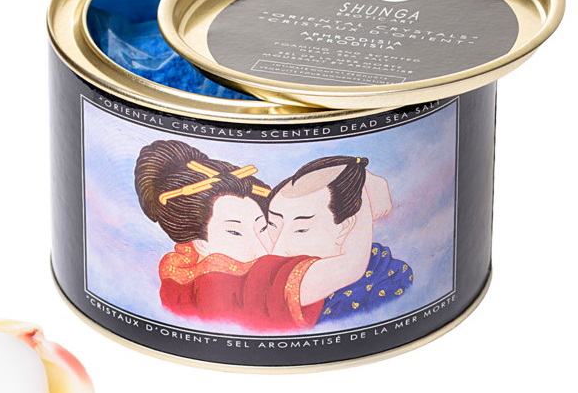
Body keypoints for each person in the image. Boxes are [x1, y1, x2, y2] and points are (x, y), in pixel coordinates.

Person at [134, 140, 374, 332]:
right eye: (234, 232)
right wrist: (361, 194)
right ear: (200, 243)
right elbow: (350, 266)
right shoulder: (241, 283)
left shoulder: (182, 275)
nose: (262, 248)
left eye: (263, 228)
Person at [267, 157, 413, 323]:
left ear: (345, 227)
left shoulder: (390, 279)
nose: (278, 249)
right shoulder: (271, 277)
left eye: (301, 229)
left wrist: (359, 184)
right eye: (271, 225)